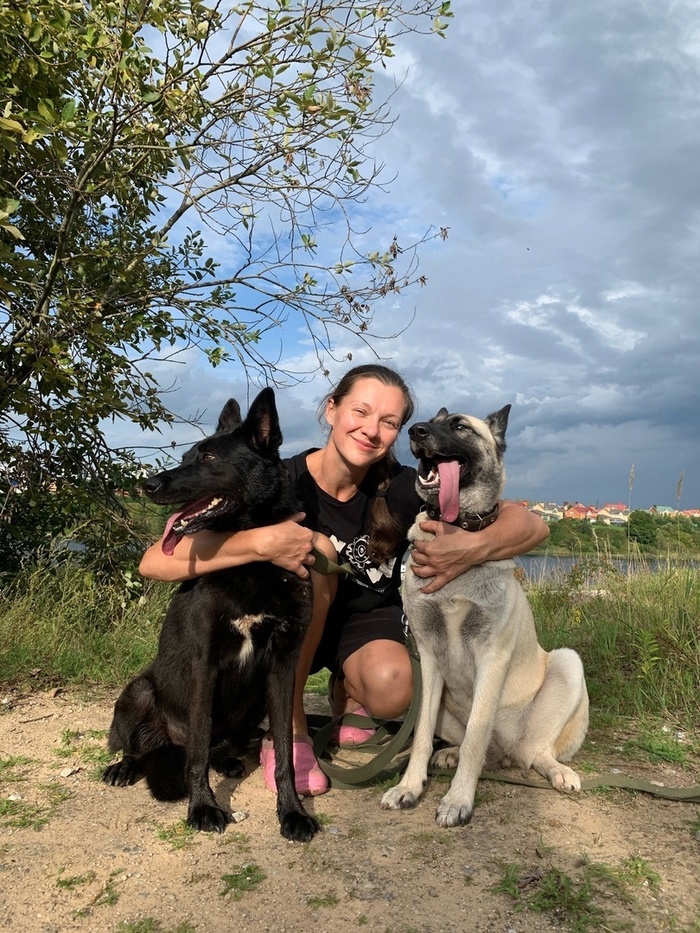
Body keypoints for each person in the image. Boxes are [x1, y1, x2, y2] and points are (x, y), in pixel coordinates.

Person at [140, 364, 549, 796]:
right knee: (318, 549)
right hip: (289, 625)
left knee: (393, 688)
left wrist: (473, 547)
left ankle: (348, 690)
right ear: (331, 409)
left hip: (361, 625)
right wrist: (260, 542)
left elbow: (532, 526)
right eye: (361, 411)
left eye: (388, 422)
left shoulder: (404, 487)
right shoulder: (280, 479)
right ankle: (289, 731)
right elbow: (154, 563)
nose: (371, 430)